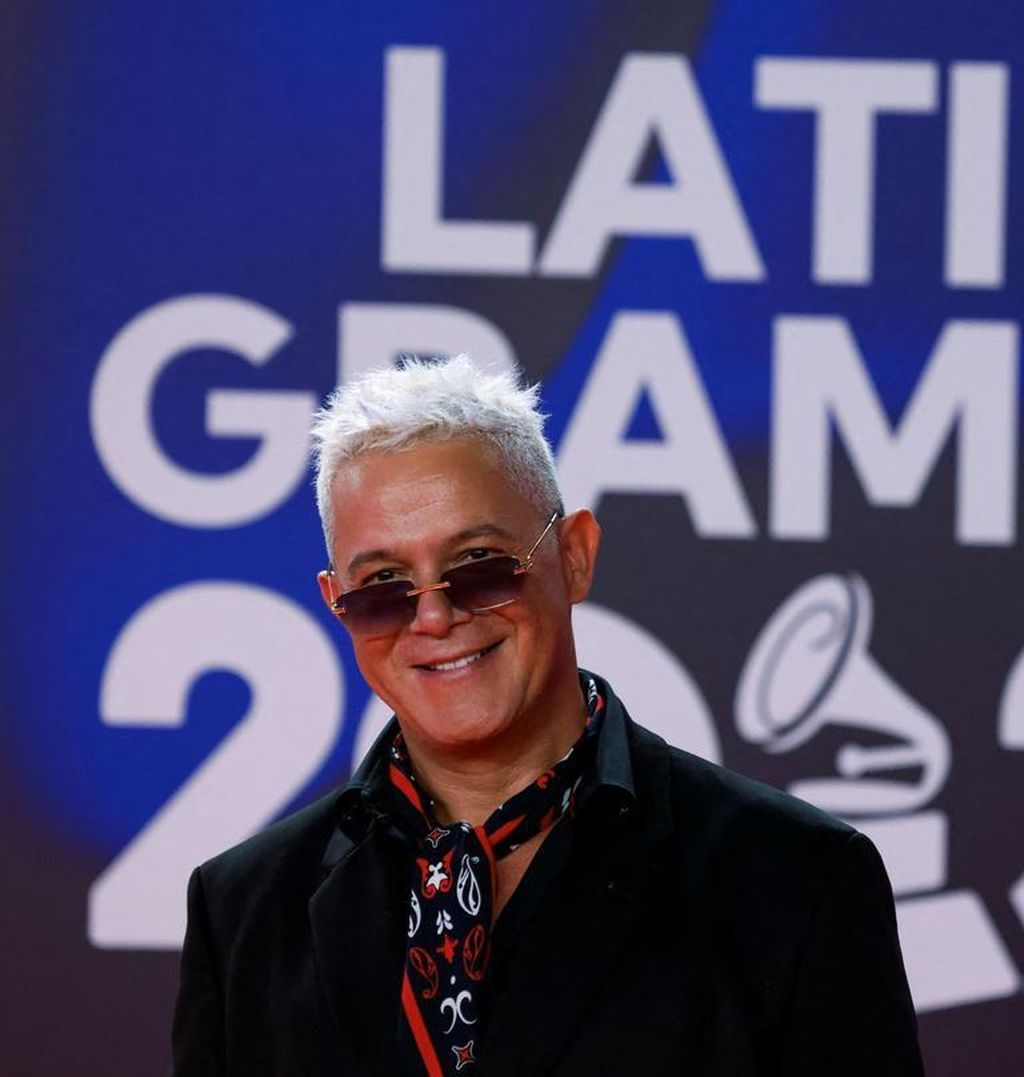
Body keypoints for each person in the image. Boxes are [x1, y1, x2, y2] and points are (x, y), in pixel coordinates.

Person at [171, 355, 923, 1075]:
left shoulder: (795, 880)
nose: (433, 616)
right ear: (338, 605)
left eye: (479, 565)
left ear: (575, 556)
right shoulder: (242, 909)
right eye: (384, 585)